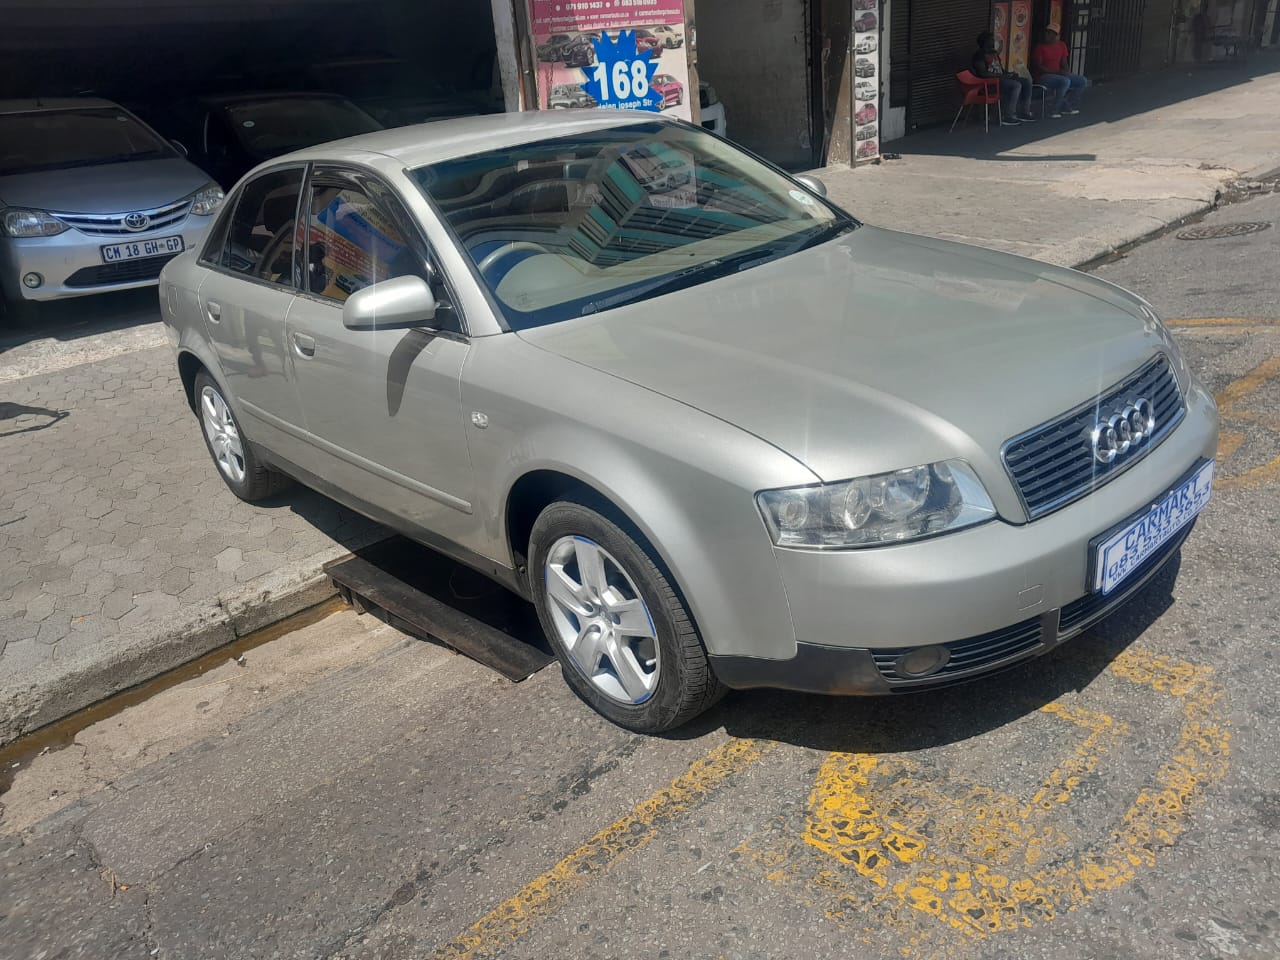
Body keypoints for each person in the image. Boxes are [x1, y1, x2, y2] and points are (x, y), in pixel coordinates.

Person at [971, 32, 1035, 125]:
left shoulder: (994, 53)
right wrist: (1003, 76)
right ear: (984, 42)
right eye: (991, 40)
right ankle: (1008, 115)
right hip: (990, 83)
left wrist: (1010, 74)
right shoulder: (979, 55)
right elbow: (983, 73)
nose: (993, 41)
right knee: (1016, 85)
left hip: (1001, 80)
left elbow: (1000, 70)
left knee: (1026, 82)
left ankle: (1024, 112)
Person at [1031, 28, 1088, 117]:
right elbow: (1039, 67)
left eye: (1051, 34)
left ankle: (1068, 105)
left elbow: (1064, 62)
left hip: (1058, 75)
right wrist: (1058, 72)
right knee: (1065, 81)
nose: (1048, 36)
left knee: (1082, 81)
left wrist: (1067, 72)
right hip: (1044, 76)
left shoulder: (1061, 45)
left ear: (1057, 36)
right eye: (1047, 33)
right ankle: (1054, 109)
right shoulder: (1040, 47)